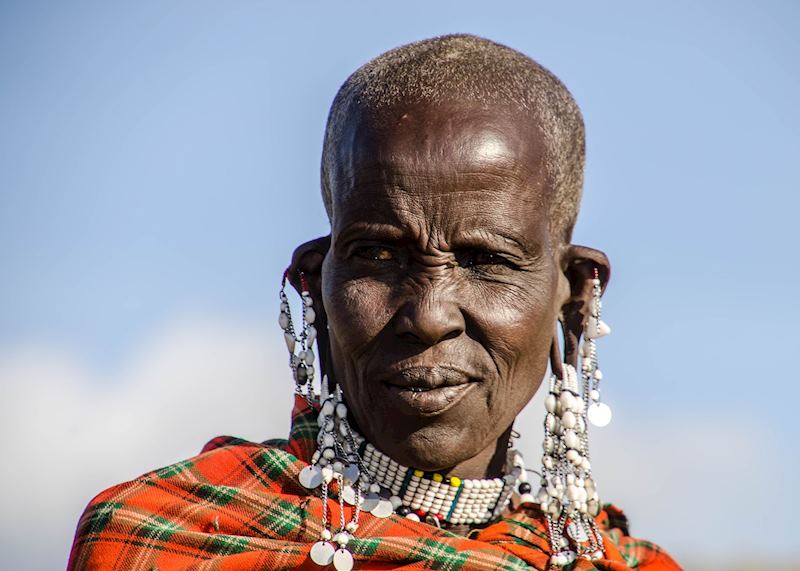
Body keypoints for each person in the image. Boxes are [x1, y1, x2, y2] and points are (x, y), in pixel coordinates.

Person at [69, 34, 681, 570]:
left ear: (575, 300)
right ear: (314, 285)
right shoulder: (167, 538)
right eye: (378, 256)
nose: (430, 316)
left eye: (486, 260)